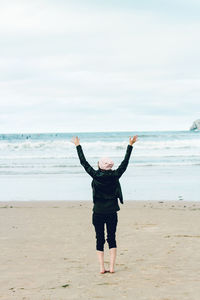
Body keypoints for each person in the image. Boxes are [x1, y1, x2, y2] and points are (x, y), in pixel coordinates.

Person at [71, 134, 138, 274]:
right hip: (112, 212)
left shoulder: (95, 175)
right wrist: (130, 145)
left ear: (100, 166)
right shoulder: (116, 175)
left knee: (99, 238)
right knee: (112, 238)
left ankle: (102, 268)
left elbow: (84, 162)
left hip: (98, 212)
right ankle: (112, 268)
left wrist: (78, 146)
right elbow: (125, 162)